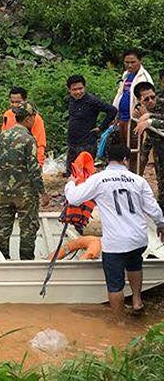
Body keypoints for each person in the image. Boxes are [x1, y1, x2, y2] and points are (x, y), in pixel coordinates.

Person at [65, 133, 164, 317]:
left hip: (115, 241)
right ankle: (136, 300)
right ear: (126, 160)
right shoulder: (138, 180)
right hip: (138, 237)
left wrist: (70, 183)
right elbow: (153, 209)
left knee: (115, 283)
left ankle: (118, 322)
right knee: (135, 266)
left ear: (108, 159)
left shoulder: (99, 179)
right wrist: (161, 225)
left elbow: (74, 198)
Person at [0, 101, 47, 260]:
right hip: (25, 193)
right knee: (28, 229)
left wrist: (3, 185)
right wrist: (42, 192)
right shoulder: (28, 138)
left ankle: (1, 261)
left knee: (4, 228)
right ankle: (26, 263)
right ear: (29, 118)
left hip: (6, 191)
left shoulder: (2, 136)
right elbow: (33, 168)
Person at [66, 74, 118, 175]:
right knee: (71, 173)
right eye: (74, 89)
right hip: (72, 143)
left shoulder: (91, 100)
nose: (78, 92)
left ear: (84, 87)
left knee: (84, 175)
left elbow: (112, 111)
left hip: (87, 144)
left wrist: (100, 128)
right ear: (69, 90)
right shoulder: (71, 100)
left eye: (80, 88)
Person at [134, 82, 164, 207]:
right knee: (162, 190)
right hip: (160, 154)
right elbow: (149, 139)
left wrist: (150, 119)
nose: (151, 101)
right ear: (140, 101)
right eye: (146, 99)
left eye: (153, 97)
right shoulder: (140, 111)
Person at [1, 87, 46, 165]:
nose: (15, 105)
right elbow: (3, 139)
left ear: (25, 101)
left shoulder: (35, 118)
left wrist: (39, 165)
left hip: (27, 160)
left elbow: (39, 145)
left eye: (18, 102)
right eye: (12, 102)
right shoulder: (7, 115)